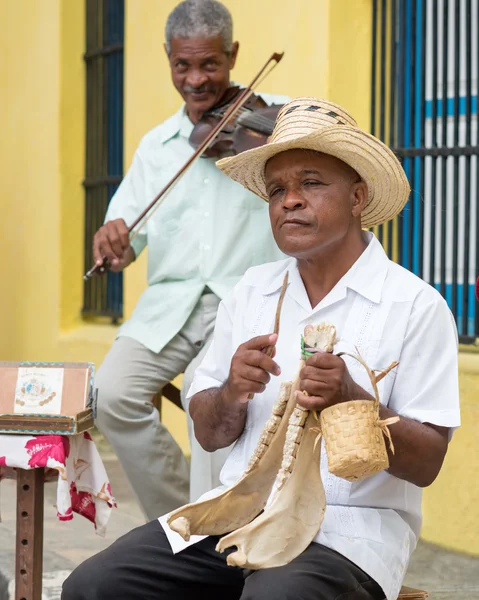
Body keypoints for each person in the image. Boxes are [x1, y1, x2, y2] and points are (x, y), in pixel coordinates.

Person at [63, 97, 460, 600]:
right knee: (93, 586)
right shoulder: (252, 291)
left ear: (358, 197)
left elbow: (427, 464)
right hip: (235, 515)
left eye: (311, 183)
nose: (289, 201)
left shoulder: (414, 305)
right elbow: (209, 435)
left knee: (276, 596)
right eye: (277, 190)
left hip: (347, 534)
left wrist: (355, 402)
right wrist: (231, 392)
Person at [92, 0, 289, 519]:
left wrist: (268, 139)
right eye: (183, 65)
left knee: (212, 401)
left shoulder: (278, 121)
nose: (197, 80)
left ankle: (210, 537)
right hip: (169, 307)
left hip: (246, 305)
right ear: (167, 58)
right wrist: (112, 240)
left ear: (234, 55)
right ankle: (181, 520)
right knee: (111, 394)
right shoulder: (156, 147)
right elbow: (125, 239)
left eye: (210, 64)